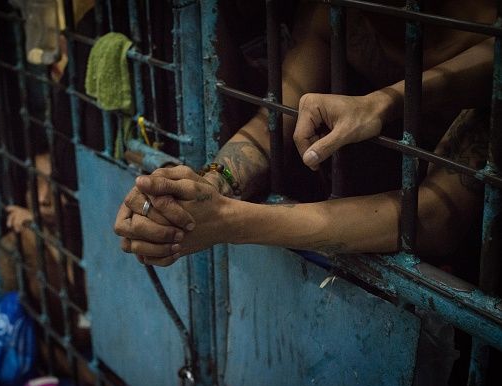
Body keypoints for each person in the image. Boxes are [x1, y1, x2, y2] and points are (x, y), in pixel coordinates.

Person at [113, 0, 494, 266]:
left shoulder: (484, 38)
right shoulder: (337, 12)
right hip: (353, 216)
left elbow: (435, 218)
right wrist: (207, 188)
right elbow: (274, 121)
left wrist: (230, 221)